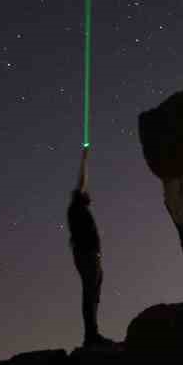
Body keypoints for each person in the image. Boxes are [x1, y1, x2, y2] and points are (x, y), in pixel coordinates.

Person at [67, 149, 112, 347]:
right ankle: (91, 336)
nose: (89, 194)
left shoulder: (80, 209)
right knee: (89, 291)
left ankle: (93, 333)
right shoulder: (76, 207)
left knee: (94, 291)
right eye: (86, 193)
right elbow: (82, 182)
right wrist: (84, 159)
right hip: (86, 254)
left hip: (91, 254)